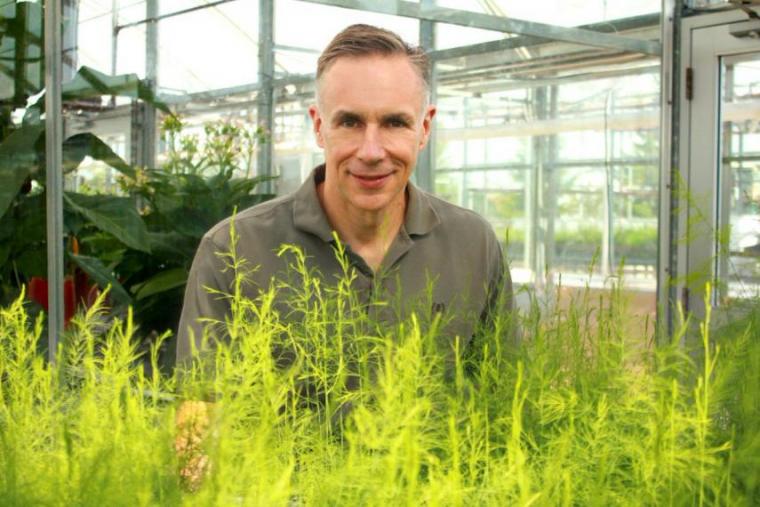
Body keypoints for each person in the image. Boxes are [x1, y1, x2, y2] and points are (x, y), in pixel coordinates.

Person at [176, 24, 512, 367]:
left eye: (395, 123)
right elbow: (203, 413)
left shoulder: (472, 245)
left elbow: (504, 398)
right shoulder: (234, 250)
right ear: (319, 127)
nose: (371, 151)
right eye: (350, 122)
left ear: (424, 128)